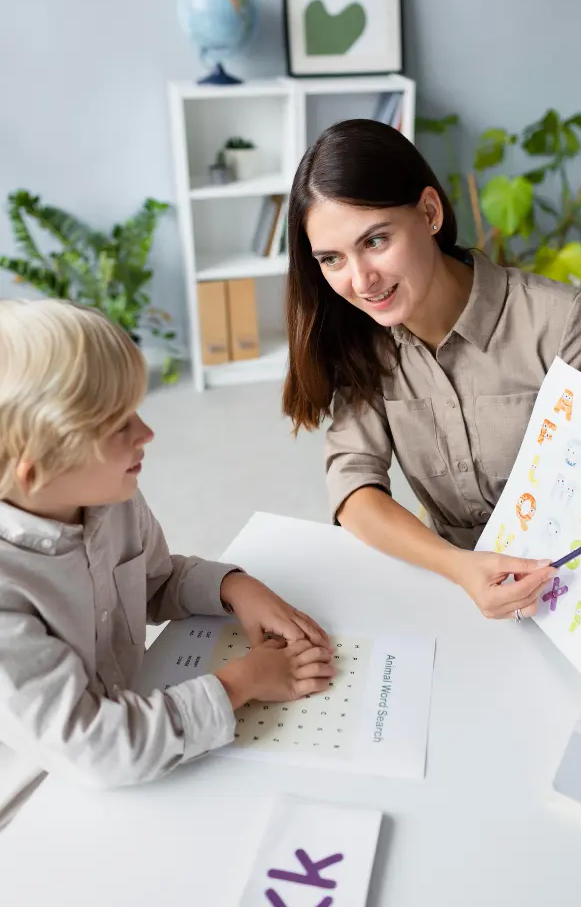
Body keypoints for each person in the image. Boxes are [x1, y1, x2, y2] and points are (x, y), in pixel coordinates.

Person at [282, 118, 581, 623]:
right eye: (332, 259)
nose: (361, 280)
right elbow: (354, 489)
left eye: (376, 241)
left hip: (576, 582)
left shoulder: (558, 322)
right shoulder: (362, 342)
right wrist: (458, 567)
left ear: (428, 212)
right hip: (453, 586)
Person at [0, 299, 335, 828]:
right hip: (37, 812)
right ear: (36, 471)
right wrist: (240, 683)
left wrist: (234, 587)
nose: (148, 434)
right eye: (117, 426)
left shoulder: (109, 493)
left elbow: (153, 580)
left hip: (141, 751)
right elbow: (94, 748)